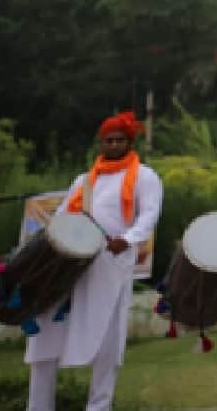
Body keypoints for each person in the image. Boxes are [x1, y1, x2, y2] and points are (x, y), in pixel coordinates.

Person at [25, 110, 164, 411]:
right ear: (100, 144)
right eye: (107, 140)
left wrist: (127, 240)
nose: (113, 145)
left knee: (107, 340)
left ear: (129, 142)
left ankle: (99, 406)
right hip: (70, 266)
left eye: (119, 140)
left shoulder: (144, 176)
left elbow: (149, 215)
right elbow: (62, 218)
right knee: (48, 333)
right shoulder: (84, 181)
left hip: (110, 268)